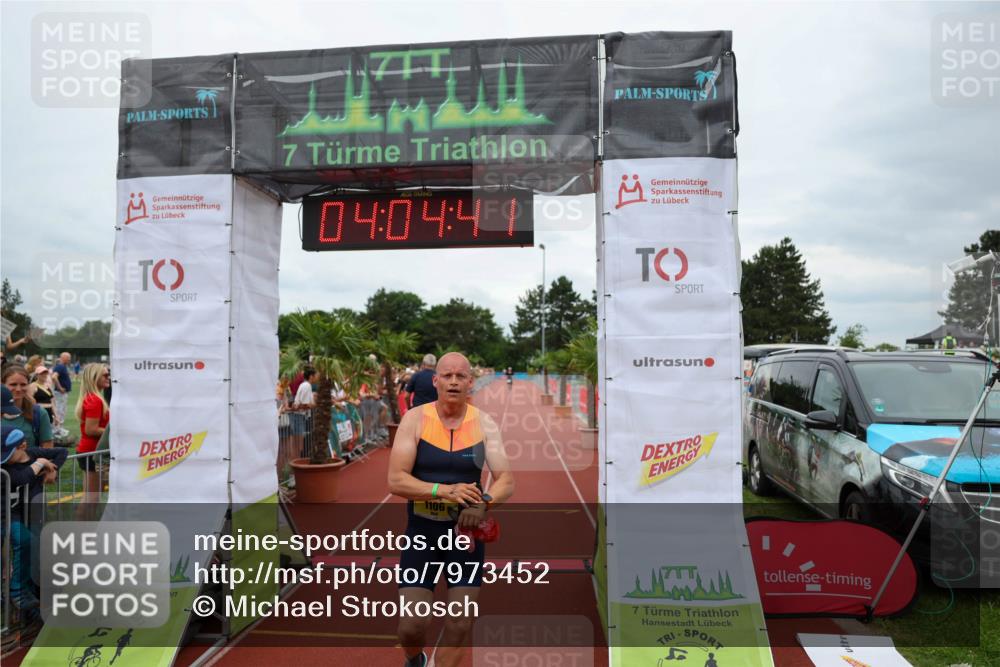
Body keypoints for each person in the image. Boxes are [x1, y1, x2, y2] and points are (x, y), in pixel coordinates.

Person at [388, 352, 514, 667]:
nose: (454, 381)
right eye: (447, 375)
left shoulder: (484, 423)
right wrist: (443, 491)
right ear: (436, 380)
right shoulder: (414, 419)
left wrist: (484, 504)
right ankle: (414, 658)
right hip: (422, 533)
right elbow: (396, 480)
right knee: (411, 626)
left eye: (460, 376)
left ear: (470, 381)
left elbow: (506, 480)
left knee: (460, 622)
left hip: (464, 537)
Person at [2, 423, 67, 617]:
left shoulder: (32, 452)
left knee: (36, 548)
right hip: (7, 514)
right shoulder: (5, 468)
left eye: (7, 453)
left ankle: (29, 594)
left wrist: (52, 470)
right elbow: (20, 478)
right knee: (25, 542)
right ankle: (16, 591)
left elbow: (61, 452)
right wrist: (39, 464)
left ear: (22, 446)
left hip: (32, 511)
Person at [75, 363, 111, 507]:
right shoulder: (94, 400)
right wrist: (115, 432)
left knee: (92, 497)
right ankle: (81, 528)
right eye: (105, 375)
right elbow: (91, 429)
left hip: (90, 451)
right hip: (92, 452)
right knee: (92, 498)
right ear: (94, 378)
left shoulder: (93, 397)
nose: (108, 377)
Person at [2, 367, 53, 448]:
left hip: (31, 460)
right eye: (13, 384)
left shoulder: (39, 413)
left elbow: (47, 446)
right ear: (2, 385)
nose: (18, 389)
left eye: (23, 385)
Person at [291, 368, 316, 457]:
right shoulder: (306, 385)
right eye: (315, 375)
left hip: (300, 416)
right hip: (299, 416)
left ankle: (296, 461)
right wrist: (312, 405)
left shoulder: (306, 385)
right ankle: (296, 463)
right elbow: (304, 404)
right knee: (299, 443)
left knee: (299, 443)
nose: (316, 377)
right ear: (311, 376)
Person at [51, 352, 73, 429]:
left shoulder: (62, 366)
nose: (69, 359)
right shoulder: (60, 366)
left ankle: (59, 428)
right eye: (68, 358)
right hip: (60, 393)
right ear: (63, 358)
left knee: (61, 410)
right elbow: (54, 377)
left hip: (61, 393)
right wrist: (60, 388)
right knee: (60, 410)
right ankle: (58, 429)